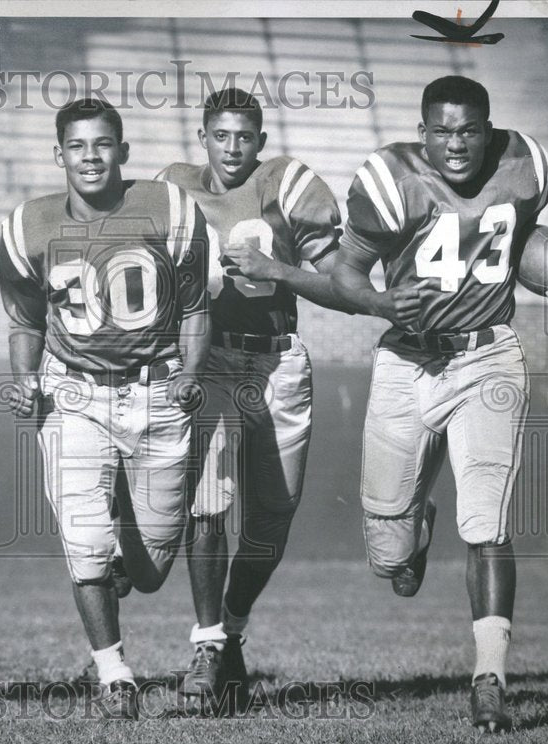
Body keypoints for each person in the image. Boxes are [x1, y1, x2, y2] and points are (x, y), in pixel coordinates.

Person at [330, 75, 548, 732]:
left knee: (488, 525)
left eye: (469, 130)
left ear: (487, 126)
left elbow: (524, 235)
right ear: (424, 132)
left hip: (489, 356)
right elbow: (344, 270)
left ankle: (490, 681)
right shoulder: (391, 178)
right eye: (443, 131)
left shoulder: (524, 162)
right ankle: (414, 526)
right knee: (389, 559)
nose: (457, 144)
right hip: (409, 359)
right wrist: (377, 303)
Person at [0, 98, 210, 720]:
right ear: (58, 152)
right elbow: (24, 318)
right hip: (75, 391)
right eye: (77, 146)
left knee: (151, 568)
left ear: (123, 149)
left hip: (157, 387)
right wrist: (23, 378)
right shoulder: (28, 224)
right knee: (85, 542)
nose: (90, 157)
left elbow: (196, 306)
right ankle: (114, 672)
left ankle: (124, 552)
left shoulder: (168, 208)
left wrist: (193, 371)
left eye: (102, 144)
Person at [158, 89, 352, 706]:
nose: (233, 147)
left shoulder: (289, 186)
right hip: (210, 358)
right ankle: (208, 641)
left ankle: (233, 627)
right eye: (222, 135)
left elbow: (339, 285)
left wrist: (278, 273)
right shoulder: (172, 187)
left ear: (261, 141)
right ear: (203, 136)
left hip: (278, 357)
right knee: (209, 503)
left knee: (274, 513)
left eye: (245, 136)